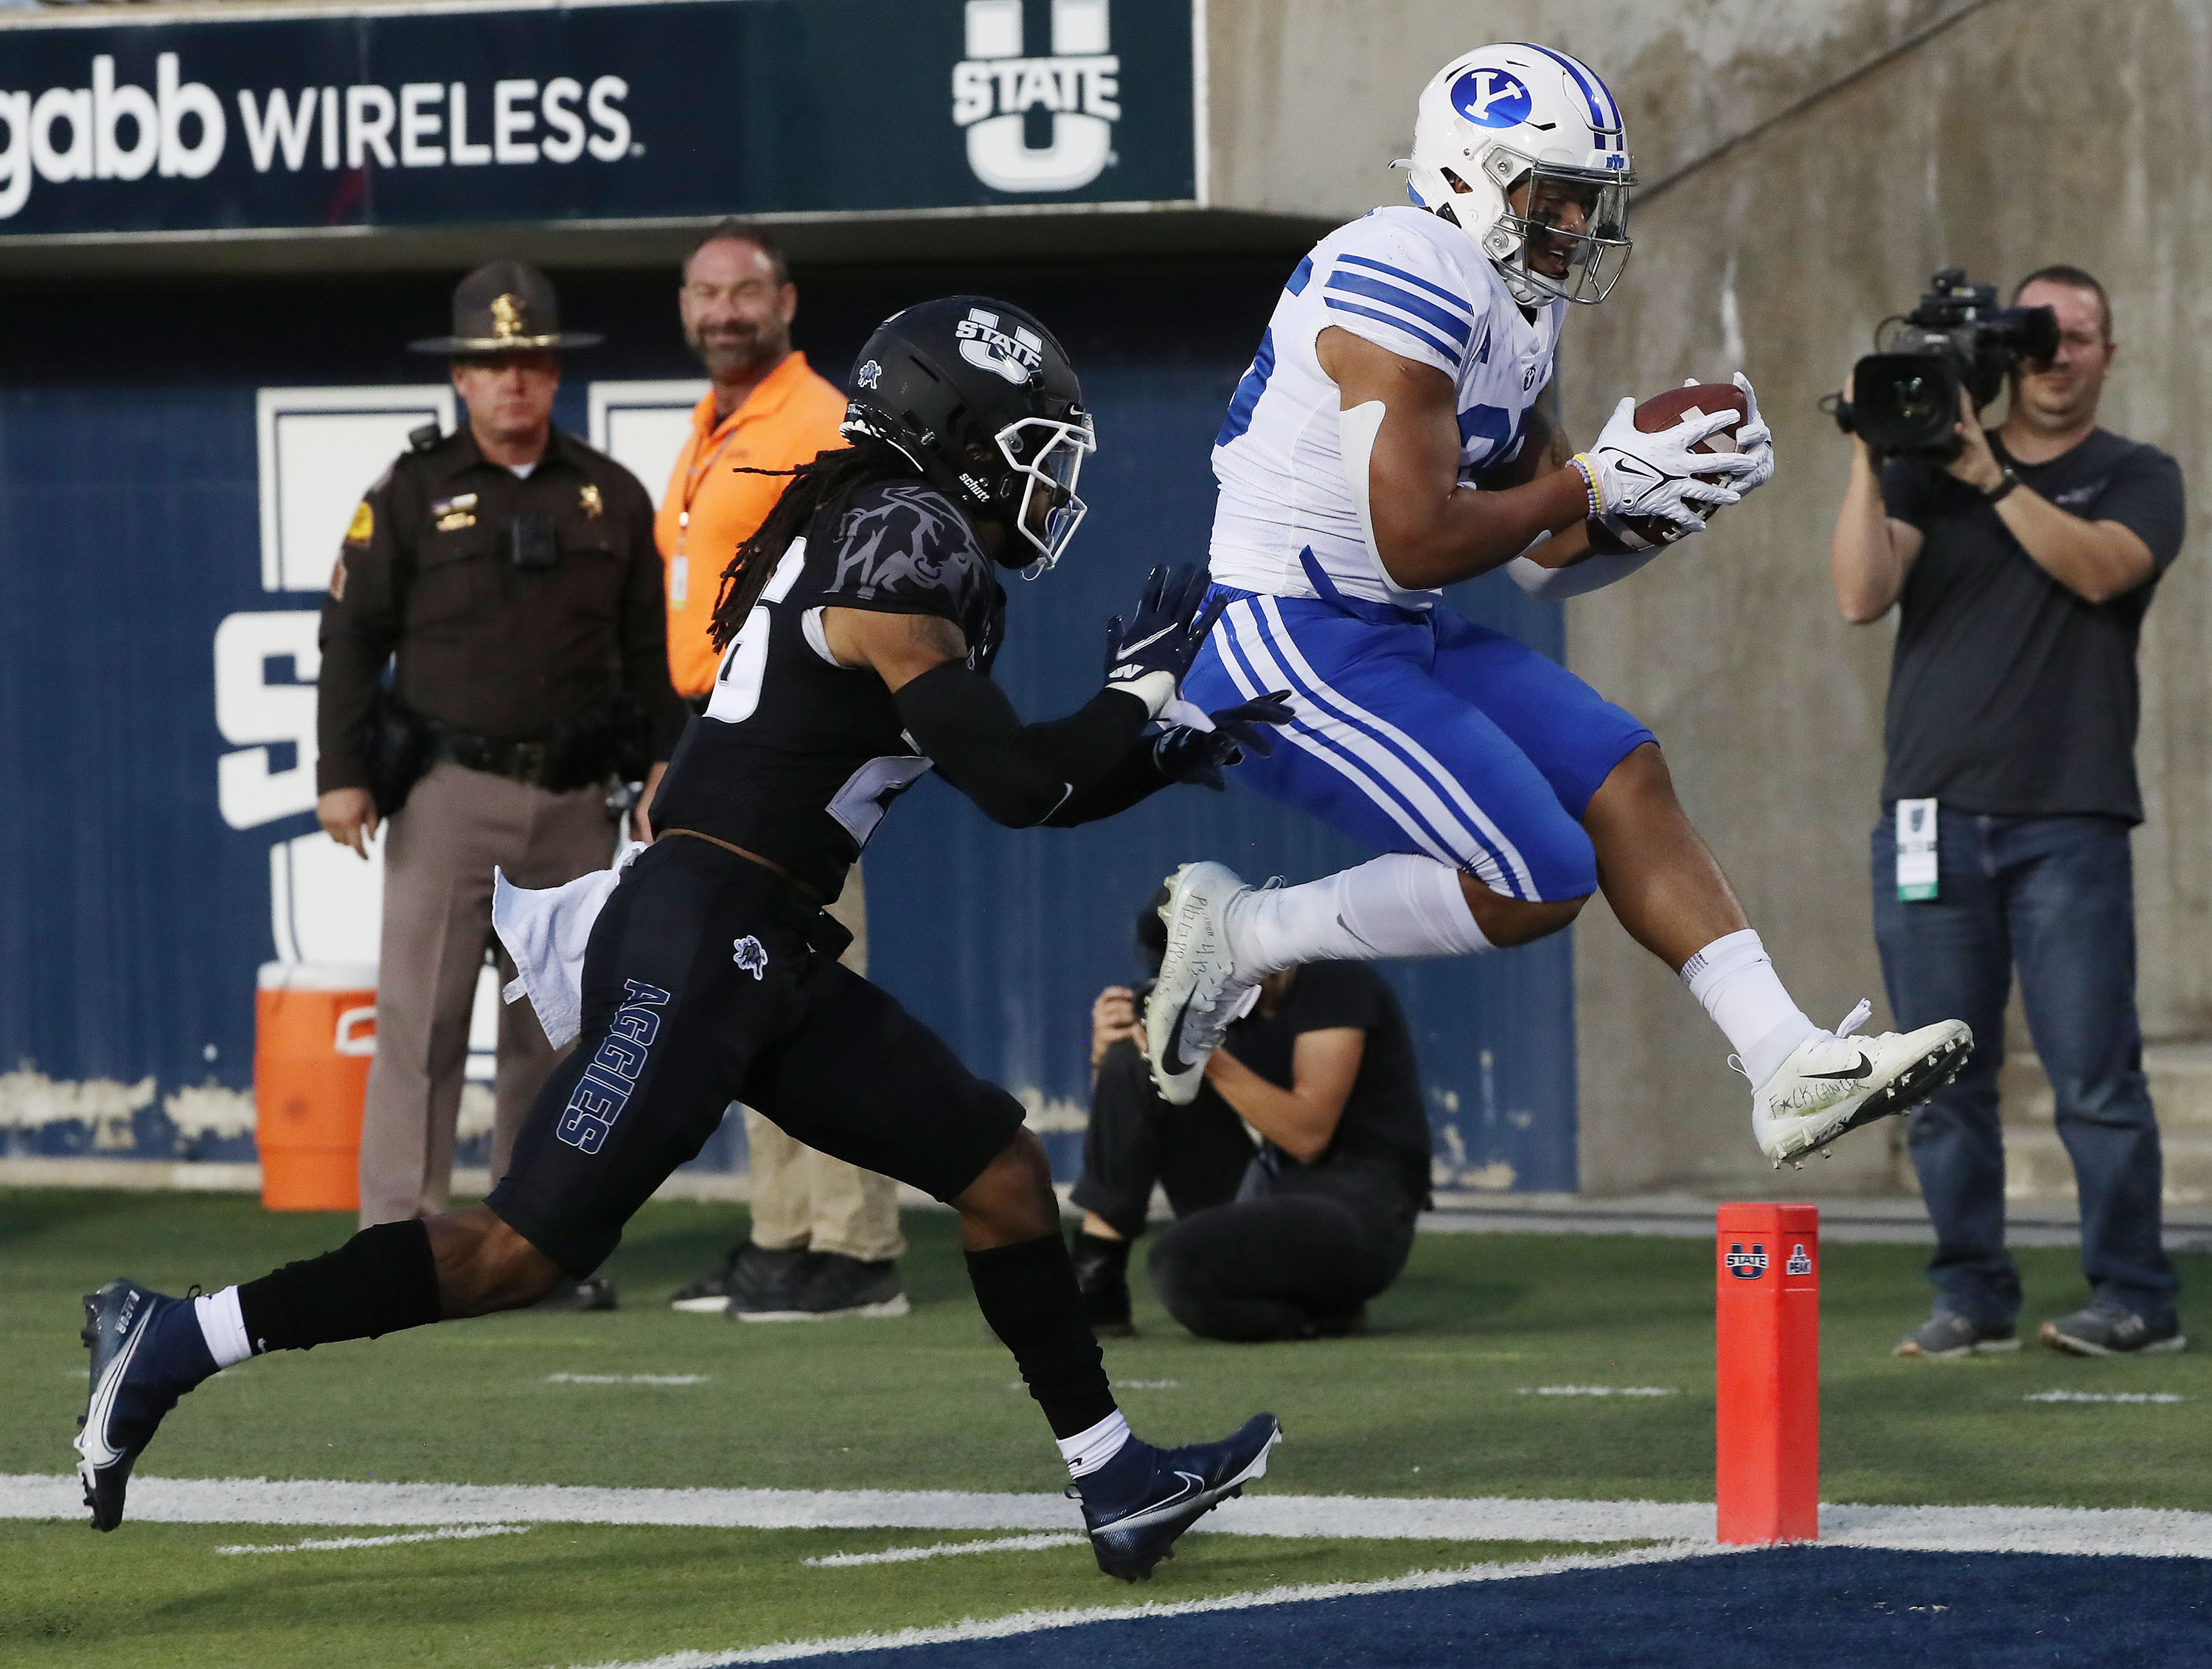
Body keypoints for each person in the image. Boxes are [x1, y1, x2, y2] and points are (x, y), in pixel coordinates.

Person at [76, 295, 1292, 1583]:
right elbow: (1014, 779)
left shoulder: (897, 532)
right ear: (963, 433)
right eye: (1036, 444)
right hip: (702, 937)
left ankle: (1111, 1476)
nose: (1051, 481)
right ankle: (177, 1336)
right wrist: (1139, 696)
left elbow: (1035, 776)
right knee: (519, 1249)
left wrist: (1149, 753)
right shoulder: (905, 536)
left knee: (996, 1168)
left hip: (761, 942)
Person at [1141, 43, 1972, 1173]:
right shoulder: (1403, 267)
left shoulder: (1511, 303)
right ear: (1474, 177)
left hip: (1391, 627)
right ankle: (1238, 933)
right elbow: (1418, 535)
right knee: (1539, 878)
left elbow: (1542, 557)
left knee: (1623, 773)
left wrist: (1658, 507)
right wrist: (1594, 479)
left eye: (1591, 202)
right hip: (1282, 638)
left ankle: (1787, 1062)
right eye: (1561, 198)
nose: (1580, 226)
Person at [1829, 266, 2188, 1359]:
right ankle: (1971, 1292)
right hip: (1930, 816)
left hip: (2067, 819)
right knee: (1943, 1078)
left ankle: (2134, 1295)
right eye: (2039, 333)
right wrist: (1870, 447)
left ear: (2107, 355)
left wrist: (1984, 469)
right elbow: (1858, 594)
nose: (2057, 351)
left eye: (2079, 333)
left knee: (2092, 1073)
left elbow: (2098, 572)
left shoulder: (2136, 473)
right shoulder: (1929, 472)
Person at [313, 261, 684, 1309]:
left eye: (527, 361)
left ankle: (534, 1243)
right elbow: (351, 631)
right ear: (462, 378)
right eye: (489, 363)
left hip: (574, 801)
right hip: (446, 792)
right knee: (421, 1024)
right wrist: (343, 775)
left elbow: (648, 650)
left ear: (554, 371)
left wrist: (664, 760)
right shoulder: (411, 490)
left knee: (552, 1031)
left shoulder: (611, 492)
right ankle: (395, 1245)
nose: (510, 381)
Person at [653, 220, 908, 1323]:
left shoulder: (820, 419)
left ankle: (859, 1251)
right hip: (723, 737)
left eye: (744, 292)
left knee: (814, 992)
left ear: (787, 301)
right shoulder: (717, 423)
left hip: (794, 748)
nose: (723, 312)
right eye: (705, 293)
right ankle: (783, 1234)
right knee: (744, 987)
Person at [1073, 894, 1430, 1342]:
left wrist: (1200, 1050)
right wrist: (1111, 1058)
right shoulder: (1215, 999)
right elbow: (1134, 1121)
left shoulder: (1335, 982)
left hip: (1359, 1206)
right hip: (1272, 1188)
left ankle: (1320, 1311)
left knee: (1182, 1263)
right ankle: (1093, 1279)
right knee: (1133, 1064)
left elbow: (1307, 1136)